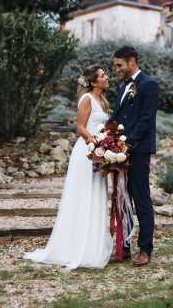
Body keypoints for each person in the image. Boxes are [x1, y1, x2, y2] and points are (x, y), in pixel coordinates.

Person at [23, 65, 113, 270]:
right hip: (86, 153)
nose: (107, 77)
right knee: (82, 197)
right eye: (102, 75)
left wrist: (107, 145)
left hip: (99, 154)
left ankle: (93, 246)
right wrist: (96, 144)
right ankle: (73, 247)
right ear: (93, 81)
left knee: (96, 196)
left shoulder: (103, 100)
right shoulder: (87, 99)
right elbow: (80, 126)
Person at [112, 46, 159, 267]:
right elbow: (119, 117)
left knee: (140, 199)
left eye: (119, 65)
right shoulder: (122, 87)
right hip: (119, 152)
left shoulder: (149, 85)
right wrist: (109, 141)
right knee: (123, 199)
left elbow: (146, 120)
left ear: (132, 62)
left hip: (138, 151)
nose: (117, 69)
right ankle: (125, 246)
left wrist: (128, 144)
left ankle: (145, 249)